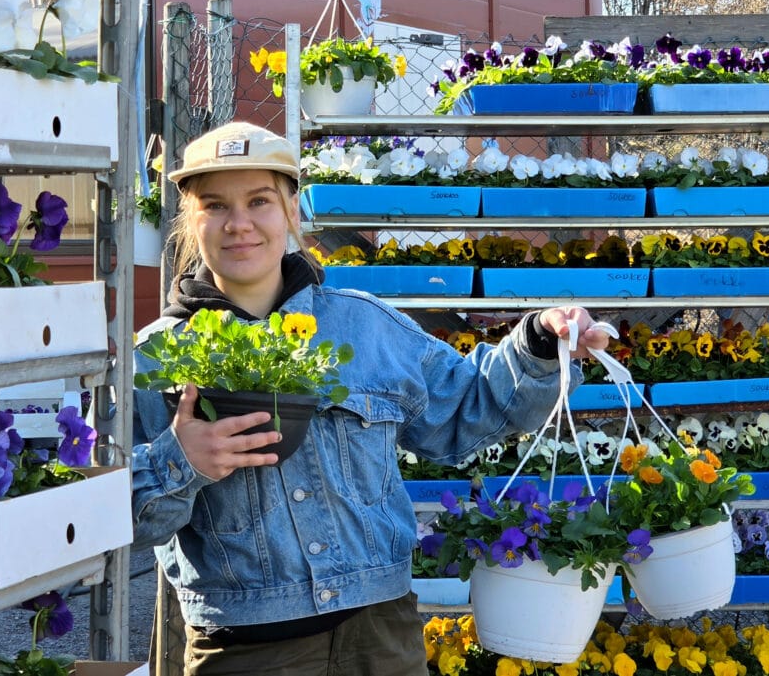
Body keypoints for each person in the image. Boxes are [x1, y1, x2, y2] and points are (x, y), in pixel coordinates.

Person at [130, 121, 611, 676]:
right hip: (248, 651)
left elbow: (467, 409)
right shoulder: (156, 359)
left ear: (290, 210)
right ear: (193, 221)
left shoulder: (362, 326)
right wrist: (179, 462)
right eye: (215, 205)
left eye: (259, 200)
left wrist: (540, 341)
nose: (238, 224)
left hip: (381, 638)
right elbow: (110, 519)